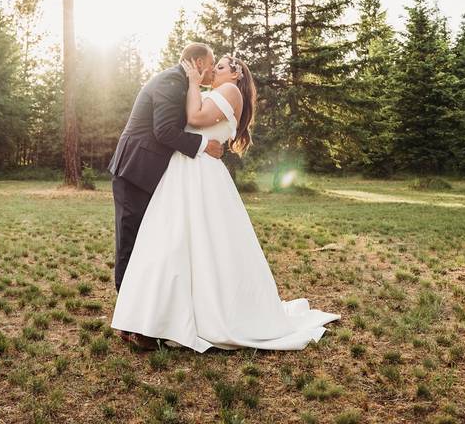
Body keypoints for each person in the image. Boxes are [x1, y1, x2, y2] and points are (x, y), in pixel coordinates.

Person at [110, 51, 340, 352]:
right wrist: (203, 136)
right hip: (173, 173)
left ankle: (157, 319)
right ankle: (143, 319)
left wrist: (193, 85)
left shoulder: (228, 91)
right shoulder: (188, 85)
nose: (213, 71)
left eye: (220, 67)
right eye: (213, 65)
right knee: (163, 243)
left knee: (188, 244)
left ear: (236, 74)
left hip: (197, 176)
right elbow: (173, 127)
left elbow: (193, 118)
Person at [107, 43, 225, 350]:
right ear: (198, 62)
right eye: (211, 65)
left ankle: (143, 318)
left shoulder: (183, 84)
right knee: (130, 244)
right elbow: (164, 131)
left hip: (150, 175)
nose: (212, 71)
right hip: (135, 172)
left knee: (149, 246)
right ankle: (131, 324)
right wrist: (203, 145)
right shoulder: (171, 82)